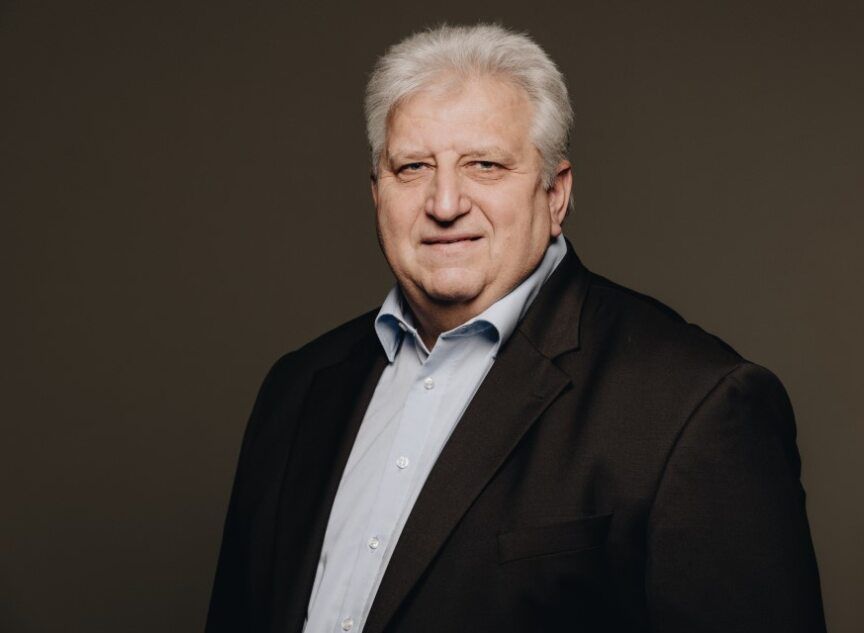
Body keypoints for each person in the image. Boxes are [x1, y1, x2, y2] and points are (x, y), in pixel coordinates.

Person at [206, 24, 826, 633]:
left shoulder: (694, 405)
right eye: (413, 167)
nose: (445, 204)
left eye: (485, 165)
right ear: (377, 193)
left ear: (555, 194)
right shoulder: (297, 388)